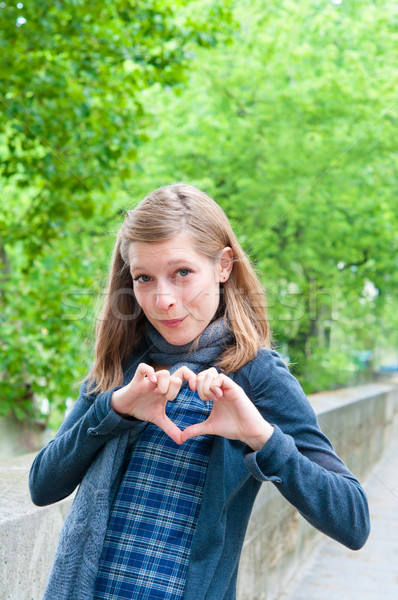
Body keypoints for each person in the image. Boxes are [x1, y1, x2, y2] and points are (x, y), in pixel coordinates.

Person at [29, 183, 370, 600]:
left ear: (223, 265)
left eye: (182, 273)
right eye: (143, 278)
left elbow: (353, 520)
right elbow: (42, 485)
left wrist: (260, 437)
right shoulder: (123, 365)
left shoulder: (256, 375)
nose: (163, 300)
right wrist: (114, 409)